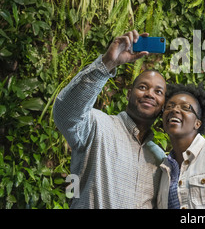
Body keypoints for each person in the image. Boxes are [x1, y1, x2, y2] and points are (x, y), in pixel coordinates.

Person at [53, 30, 167, 209]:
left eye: (158, 92)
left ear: (163, 105)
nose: (149, 94)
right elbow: (65, 112)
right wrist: (107, 64)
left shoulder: (160, 158)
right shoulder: (97, 126)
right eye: (143, 87)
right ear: (129, 94)